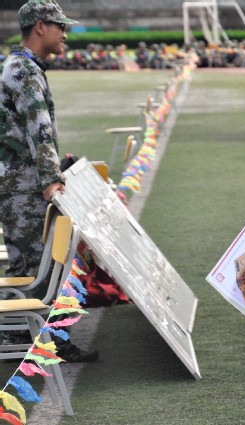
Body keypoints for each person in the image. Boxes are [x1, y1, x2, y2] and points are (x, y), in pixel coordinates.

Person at [0, 0, 98, 363]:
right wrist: (51, 178)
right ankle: (49, 341)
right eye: (60, 26)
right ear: (40, 26)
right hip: (25, 187)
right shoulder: (25, 70)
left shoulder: (19, 66)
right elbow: (38, 129)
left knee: (28, 265)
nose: (65, 34)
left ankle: (19, 335)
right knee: (41, 267)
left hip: (17, 183)